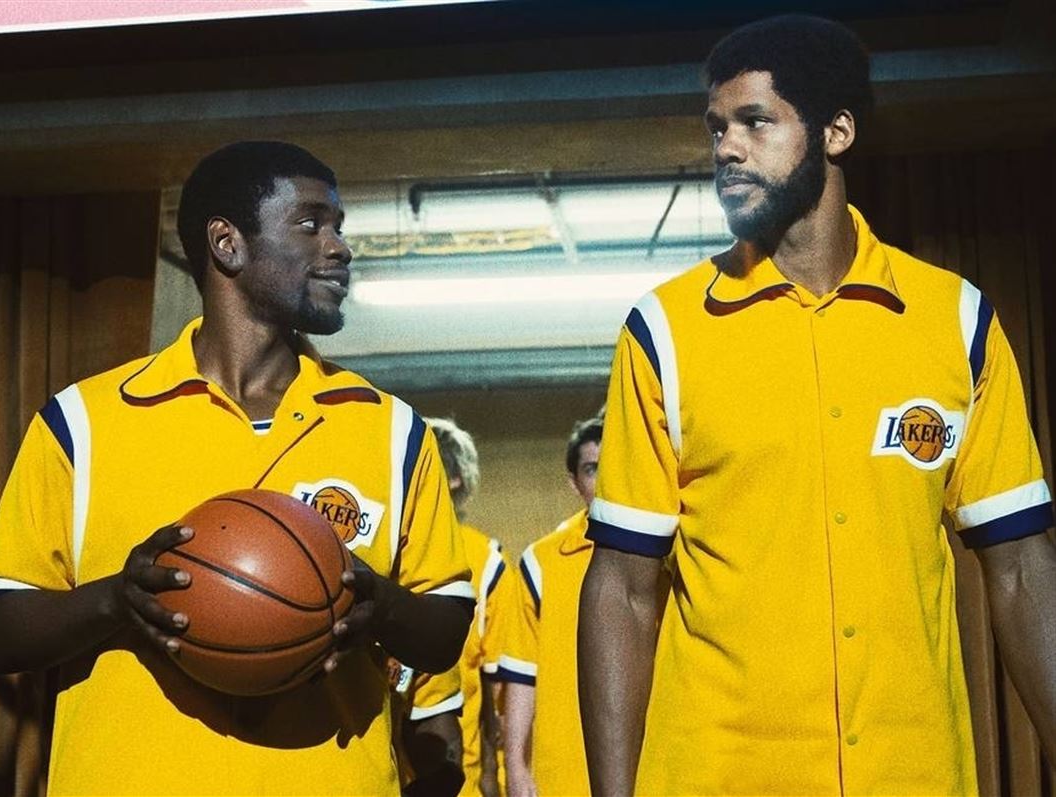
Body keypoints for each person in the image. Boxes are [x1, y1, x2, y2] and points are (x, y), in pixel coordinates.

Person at [578, 14, 1056, 796]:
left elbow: (1021, 571)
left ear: (836, 132)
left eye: (755, 121)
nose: (726, 147)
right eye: (717, 127)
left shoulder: (953, 320)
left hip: (914, 776)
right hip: (720, 776)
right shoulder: (665, 330)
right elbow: (624, 590)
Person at [0, 140, 475, 796]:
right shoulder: (85, 420)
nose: (339, 246)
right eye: (311, 223)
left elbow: (444, 629)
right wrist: (116, 600)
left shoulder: (390, 428)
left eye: (339, 227)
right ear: (226, 243)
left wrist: (382, 606)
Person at [499, 415, 678, 796]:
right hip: (563, 769)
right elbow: (520, 673)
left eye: (611, 464)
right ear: (574, 481)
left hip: (660, 761)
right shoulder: (542, 560)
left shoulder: (673, 555)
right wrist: (515, 766)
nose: (602, 477)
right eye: (591, 468)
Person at [397, 417, 515, 797]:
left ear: (454, 479)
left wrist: (495, 778)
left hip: (456, 775)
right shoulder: (383, 552)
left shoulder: (487, 561)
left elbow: (499, 689)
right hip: (382, 770)